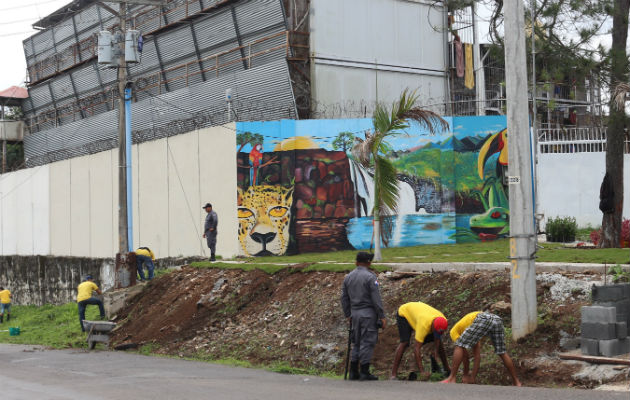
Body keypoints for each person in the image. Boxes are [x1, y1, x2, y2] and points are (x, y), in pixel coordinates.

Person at [441, 311, 521, 386]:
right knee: (502, 352)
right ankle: (516, 382)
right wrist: (472, 377)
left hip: (482, 318)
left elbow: (465, 356)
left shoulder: (453, 332)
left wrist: (465, 375)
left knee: (459, 346)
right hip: (496, 319)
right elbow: (477, 355)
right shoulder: (473, 329)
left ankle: (451, 378)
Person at [341, 251, 386, 381]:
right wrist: (382, 316)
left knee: (356, 342)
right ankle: (364, 371)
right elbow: (376, 299)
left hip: (354, 314)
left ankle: (353, 371)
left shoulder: (348, 277)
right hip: (368, 314)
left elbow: (344, 298)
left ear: (356, 262)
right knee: (367, 342)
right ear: (369, 263)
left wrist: (348, 314)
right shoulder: (370, 277)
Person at [390, 301, 449, 380]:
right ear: (432, 327)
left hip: (419, 313)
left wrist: (435, 352)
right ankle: (393, 374)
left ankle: (447, 369)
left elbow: (437, 337)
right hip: (404, 314)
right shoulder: (423, 325)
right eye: (435, 331)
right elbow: (416, 348)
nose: (436, 334)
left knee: (440, 343)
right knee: (405, 342)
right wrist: (422, 372)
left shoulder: (443, 320)